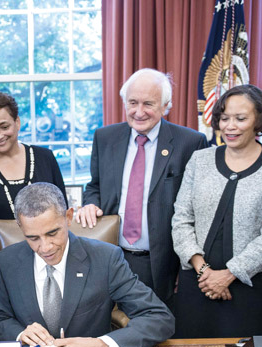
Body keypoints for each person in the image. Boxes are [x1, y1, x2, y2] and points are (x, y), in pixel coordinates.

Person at [0, 182, 174, 347]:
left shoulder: (105, 258)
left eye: (53, 233)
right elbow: (0, 319)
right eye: (33, 238)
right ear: (21, 228)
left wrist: (104, 345)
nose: (45, 247)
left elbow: (159, 318)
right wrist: (20, 333)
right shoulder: (6, 261)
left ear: (69, 217)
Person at [76, 68, 208, 312]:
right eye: (133, 102)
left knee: (157, 328)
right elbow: (94, 185)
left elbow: (198, 208)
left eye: (149, 103)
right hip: (111, 255)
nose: (139, 112)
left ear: (166, 105)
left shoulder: (190, 142)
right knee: (108, 325)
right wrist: (90, 203)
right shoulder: (105, 137)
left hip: (161, 262)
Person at [171, 85, 262, 338]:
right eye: (225, 118)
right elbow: (181, 218)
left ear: (259, 121)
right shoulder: (199, 160)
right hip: (197, 280)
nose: (230, 126)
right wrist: (204, 271)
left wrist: (229, 275)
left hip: (249, 284)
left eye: (241, 118)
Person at [0, 92, 66, 335]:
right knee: (1, 334)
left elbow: (61, 211)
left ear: (18, 123)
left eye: (4, 126)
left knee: (48, 331)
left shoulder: (45, 157)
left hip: (46, 263)